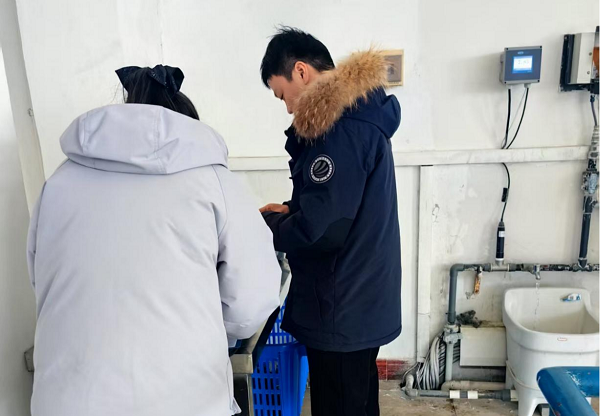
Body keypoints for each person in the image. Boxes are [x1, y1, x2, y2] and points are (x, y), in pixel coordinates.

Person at [26, 64, 281, 416]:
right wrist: (206, 322)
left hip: (67, 399)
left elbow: (43, 279)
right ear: (189, 125)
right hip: (185, 399)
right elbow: (252, 300)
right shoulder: (214, 182)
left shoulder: (57, 184)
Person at [259, 28, 402, 416]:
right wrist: (291, 210)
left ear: (301, 72)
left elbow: (322, 230)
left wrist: (265, 226)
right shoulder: (358, 117)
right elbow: (341, 206)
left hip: (342, 304)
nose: (288, 109)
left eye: (282, 95)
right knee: (357, 401)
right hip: (361, 298)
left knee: (340, 404)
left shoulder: (338, 128)